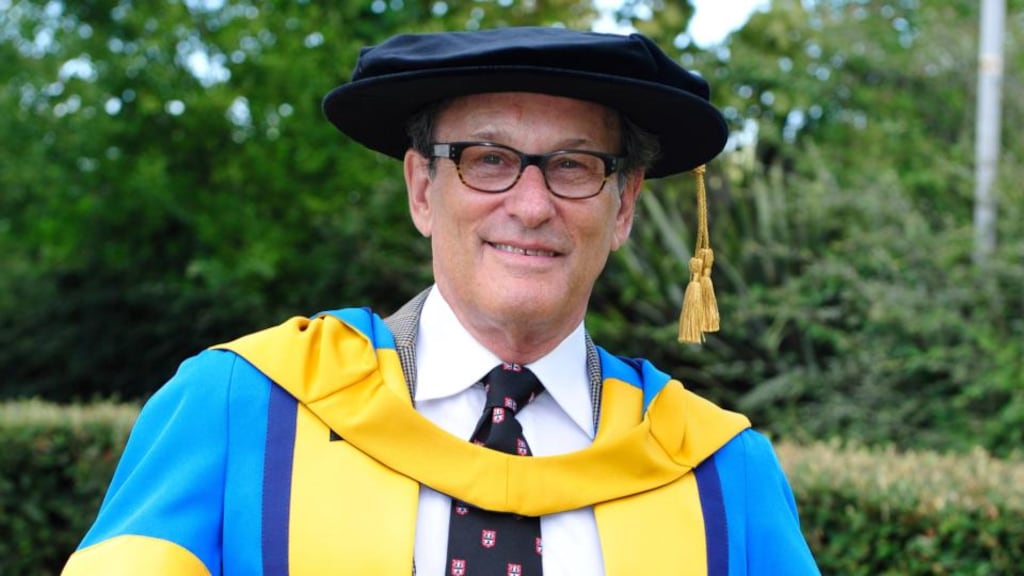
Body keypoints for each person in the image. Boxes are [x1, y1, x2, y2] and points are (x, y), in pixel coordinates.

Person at [62, 27, 820, 575]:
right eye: (488, 159)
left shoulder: (720, 470)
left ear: (622, 208)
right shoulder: (240, 406)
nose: (530, 205)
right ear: (424, 190)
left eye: (574, 165)